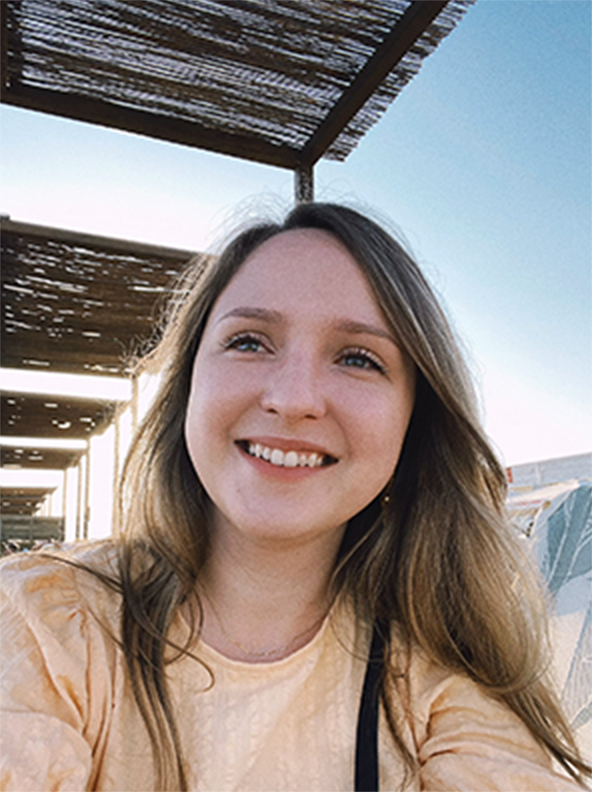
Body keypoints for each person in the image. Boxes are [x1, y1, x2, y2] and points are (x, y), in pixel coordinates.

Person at [0, 203, 589, 792]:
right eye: (250, 342)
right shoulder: (44, 623)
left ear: (415, 423)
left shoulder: (442, 689)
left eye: (358, 358)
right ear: (188, 386)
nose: (294, 397)